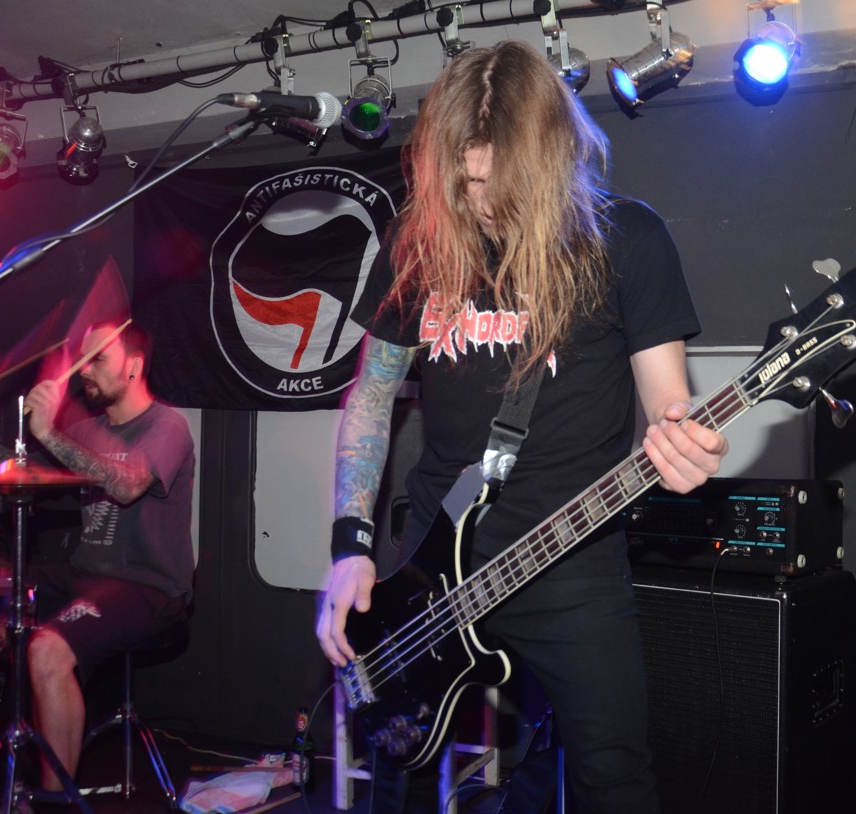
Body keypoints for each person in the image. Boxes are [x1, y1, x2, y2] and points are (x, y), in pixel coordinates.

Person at [315, 40, 727, 813]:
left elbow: (670, 407)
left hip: (569, 561)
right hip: (432, 557)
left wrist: (682, 446)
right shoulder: (418, 245)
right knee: (400, 774)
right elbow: (370, 398)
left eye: (496, 181)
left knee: (613, 778)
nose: (478, 202)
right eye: (463, 181)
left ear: (546, 159)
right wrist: (350, 547)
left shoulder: (624, 241)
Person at [0, 320, 195, 803]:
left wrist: (48, 432)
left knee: (46, 650)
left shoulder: (167, 426)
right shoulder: (84, 431)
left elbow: (128, 485)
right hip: (86, 575)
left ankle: (55, 803)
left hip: (148, 586)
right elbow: (17, 474)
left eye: (97, 359)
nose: (83, 371)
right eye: (81, 360)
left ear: (134, 367)